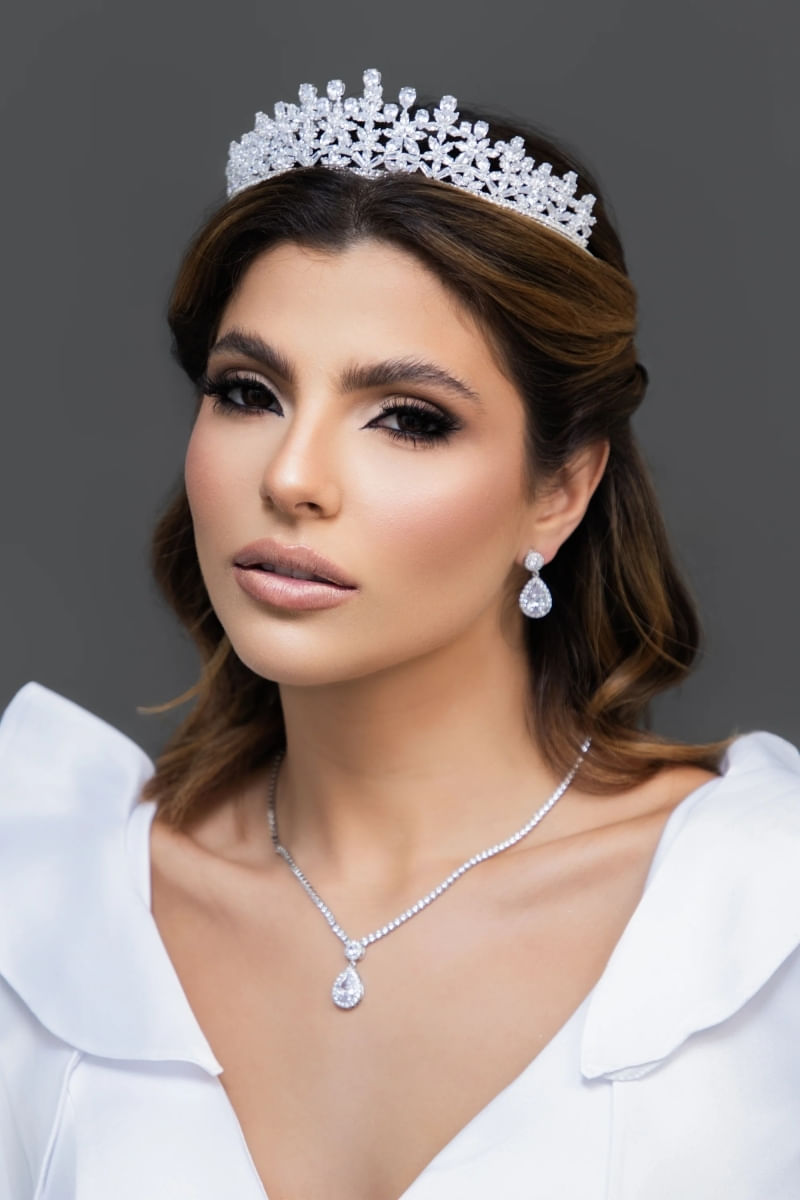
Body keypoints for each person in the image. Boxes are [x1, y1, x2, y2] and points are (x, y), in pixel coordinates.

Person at [1, 67, 798, 1200]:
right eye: (248, 392)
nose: (291, 477)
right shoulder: (43, 900)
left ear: (559, 491)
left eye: (408, 420)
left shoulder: (762, 916)